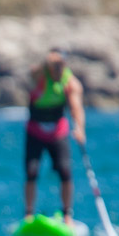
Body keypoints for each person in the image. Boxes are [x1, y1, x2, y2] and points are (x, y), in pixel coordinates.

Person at [24, 50, 86, 222]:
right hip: (35, 129)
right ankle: (28, 214)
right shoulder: (40, 75)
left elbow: (76, 108)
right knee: (31, 171)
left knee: (65, 171)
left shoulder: (71, 83)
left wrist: (79, 129)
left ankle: (67, 215)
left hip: (58, 131)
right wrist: (47, 62)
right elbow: (32, 74)